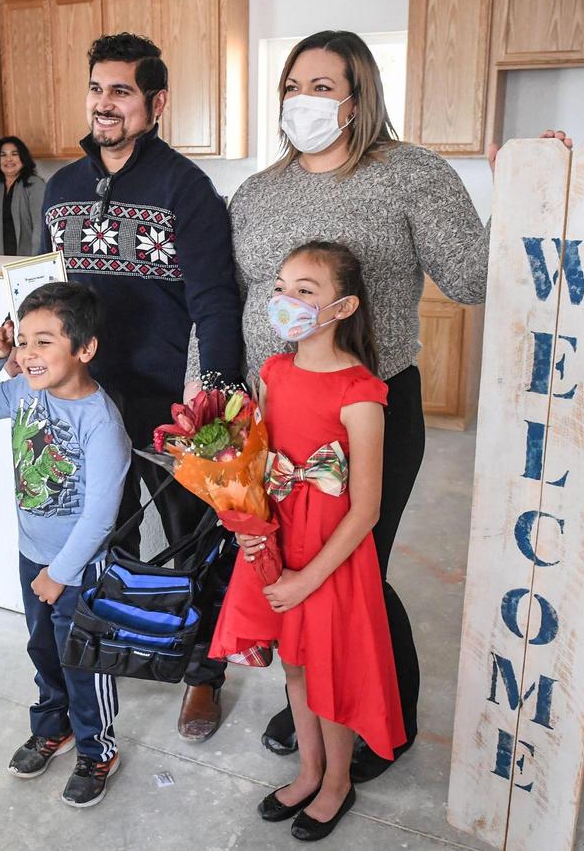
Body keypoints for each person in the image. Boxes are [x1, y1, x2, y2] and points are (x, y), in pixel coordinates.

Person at [228, 29, 572, 782]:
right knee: (289, 566)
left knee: (354, 573)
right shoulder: (257, 191)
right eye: (292, 85)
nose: (302, 100)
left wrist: (530, 187)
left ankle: (386, 722)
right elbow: (233, 298)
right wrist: (213, 394)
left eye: (322, 86)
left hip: (365, 412)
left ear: (359, 97)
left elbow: (474, 280)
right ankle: (316, 703)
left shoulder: (410, 174)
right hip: (277, 414)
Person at [37, 32, 243, 742]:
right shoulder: (62, 189)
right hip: (87, 402)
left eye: (120, 91)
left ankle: (203, 676)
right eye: (97, 88)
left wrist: (215, 402)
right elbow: (51, 297)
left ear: (154, 102)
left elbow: (216, 300)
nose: (104, 104)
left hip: (170, 403)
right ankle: (124, 642)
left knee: (195, 542)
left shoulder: (187, 191)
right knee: (105, 535)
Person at [210, 240, 404, 841]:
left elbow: (366, 507)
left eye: (305, 291)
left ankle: (339, 781)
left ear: (342, 307)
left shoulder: (360, 391)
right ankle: (309, 767)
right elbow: (260, 459)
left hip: (329, 556)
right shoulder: (272, 371)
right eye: (281, 287)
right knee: (293, 664)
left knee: (329, 668)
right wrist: (248, 523)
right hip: (281, 539)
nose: (285, 300)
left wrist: (307, 577)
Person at [0, 282, 131, 808]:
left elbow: (100, 517)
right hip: (31, 553)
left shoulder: (101, 422)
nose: (29, 354)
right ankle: (50, 727)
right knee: (43, 650)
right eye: (24, 341)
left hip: (78, 569)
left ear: (84, 349)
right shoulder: (23, 391)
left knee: (82, 662)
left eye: (45, 342)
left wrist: (61, 574)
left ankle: (97, 749)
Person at [0, 137, 46, 256]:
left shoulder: (35, 185)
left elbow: (40, 227)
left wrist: (36, 261)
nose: (8, 159)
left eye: (14, 154)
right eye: (3, 155)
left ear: (23, 157)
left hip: (26, 260)